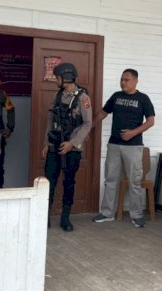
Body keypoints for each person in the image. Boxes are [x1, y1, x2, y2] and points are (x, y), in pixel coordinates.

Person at [91, 69, 155, 228]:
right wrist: (88, 127)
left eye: (126, 80)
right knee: (111, 179)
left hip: (133, 147)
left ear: (135, 81)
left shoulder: (143, 99)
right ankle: (106, 213)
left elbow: (150, 121)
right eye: (121, 79)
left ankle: (137, 215)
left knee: (134, 181)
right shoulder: (116, 96)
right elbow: (103, 113)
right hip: (114, 144)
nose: (123, 82)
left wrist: (133, 133)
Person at [42, 63, 93, 232]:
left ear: (66, 77)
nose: (56, 80)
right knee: (49, 182)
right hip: (55, 146)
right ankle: (44, 217)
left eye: (57, 77)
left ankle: (65, 218)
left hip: (72, 149)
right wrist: (46, 143)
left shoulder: (83, 98)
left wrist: (72, 143)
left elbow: (87, 124)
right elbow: (50, 120)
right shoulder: (57, 96)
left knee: (69, 183)